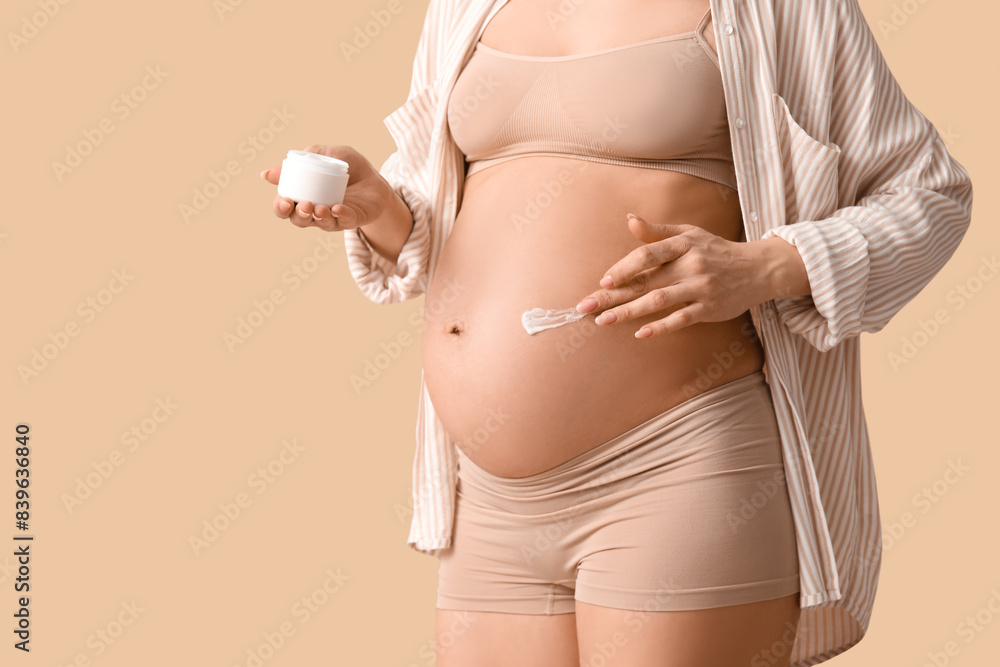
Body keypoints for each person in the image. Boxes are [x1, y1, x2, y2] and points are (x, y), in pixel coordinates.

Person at [260, 1, 973, 664]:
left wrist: (765, 265)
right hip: (485, 500)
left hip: (677, 466)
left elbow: (928, 192)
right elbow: (441, 216)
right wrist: (379, 208)